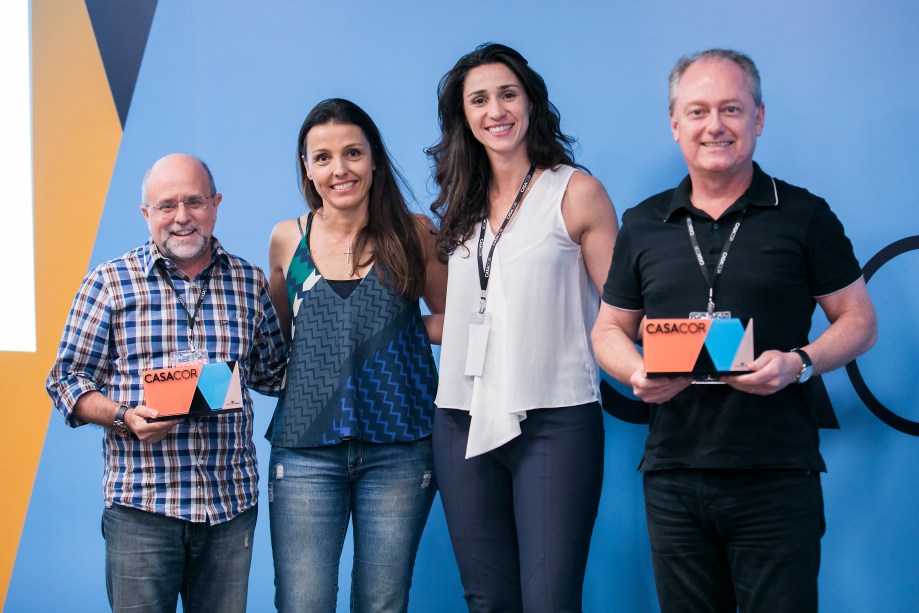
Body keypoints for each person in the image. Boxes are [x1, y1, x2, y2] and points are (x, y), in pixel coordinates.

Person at [592, 49, 878, 612]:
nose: (714, 126)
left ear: (759, 119)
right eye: (697, 111)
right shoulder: (644, 221)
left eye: (731, 109)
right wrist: (636, 370)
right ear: (675, 124)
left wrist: (799, 362)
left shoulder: (804, 214)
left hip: (777, 472)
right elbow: (608, 330)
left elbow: (860, 321)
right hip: (674, 475)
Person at [46, 153, 288, 612]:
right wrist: (122, 416)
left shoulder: (248, 282)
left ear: (215, 204)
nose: (181, 217)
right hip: (142, 507)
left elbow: (271, 373)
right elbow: (65, 381)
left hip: (229, 506)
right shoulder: (110, 283)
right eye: (166, 205)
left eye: (194, 202)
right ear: (146, 214)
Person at [427, 43, 618, 612]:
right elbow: (461, 317)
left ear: (530, 101)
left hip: (556, 420)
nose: (496, 110)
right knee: (488, 602)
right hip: (460, 419)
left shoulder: (575, 191)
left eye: (508, 94)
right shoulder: (457, 205)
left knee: (550, 603)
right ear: (463, 116)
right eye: (479, 99)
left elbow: (622, 309)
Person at [266, 98, 447, 612]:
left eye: (352, 153)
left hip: (402, 444)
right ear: (307, 167)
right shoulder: (287, 239)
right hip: (303, 448)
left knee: (383, 603)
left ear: (375, 160)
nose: (339, 169)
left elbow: (453, 319)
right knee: (303, 604)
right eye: (322, 157)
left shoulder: (414, 233)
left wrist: (396, 327)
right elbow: (282, 339)